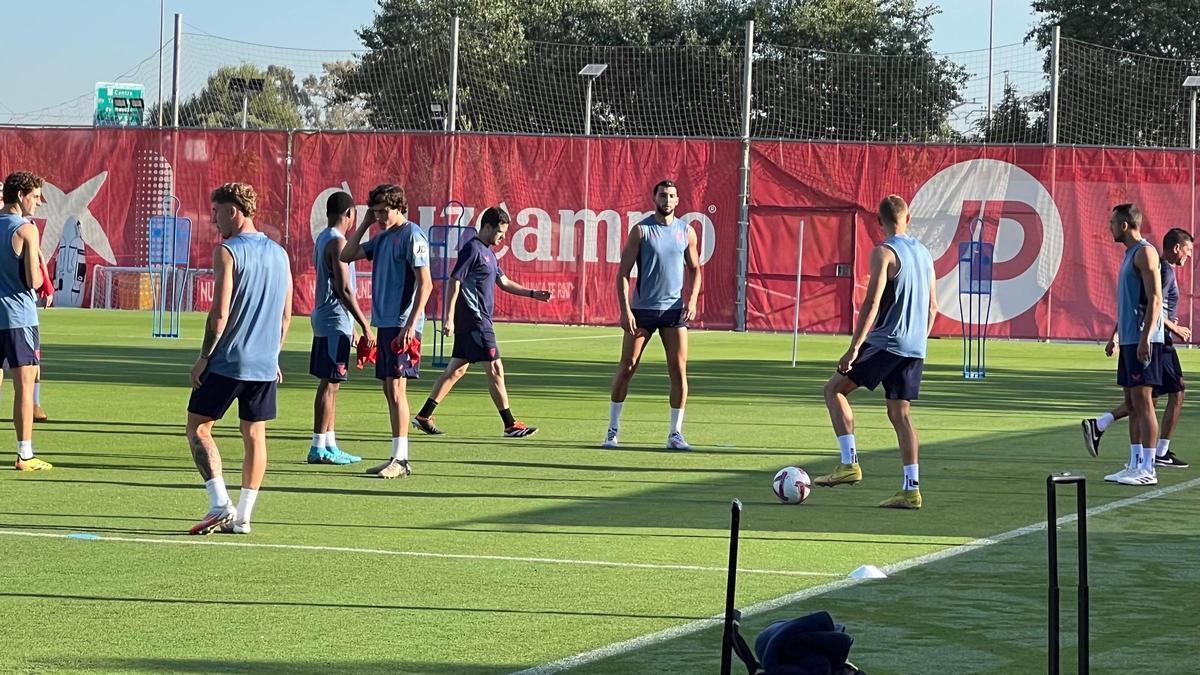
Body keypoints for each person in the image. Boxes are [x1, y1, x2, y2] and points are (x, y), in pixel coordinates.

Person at [813, 195, 935, 510]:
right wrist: (918, 340)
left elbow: (872, 302)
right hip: (914, 346)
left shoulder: (884, 252)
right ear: (908, 217)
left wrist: (854, 348)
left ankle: (848, 463)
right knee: (900, 414)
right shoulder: (924, 253)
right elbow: (933, 307)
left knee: (833, 390)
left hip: (885, 342)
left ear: (879, 222)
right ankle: (911, 490)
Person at [186, 183, 292, 534]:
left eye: (216, 211)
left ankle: (219, 503)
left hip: (230, 360)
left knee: (198, 427)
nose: (214, 219)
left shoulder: (228, 252)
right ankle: (244, 516)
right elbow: (286, 316)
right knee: (255, 435)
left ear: (233, 211)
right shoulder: (280, 253)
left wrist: (204, 357)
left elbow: (219, 313)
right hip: (264, 364)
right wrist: (274, 355)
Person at [412, 206, 551, 437]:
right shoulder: (472, 249)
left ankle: (424, 415)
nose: (503, 237)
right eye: (500, 232)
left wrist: (532, 293)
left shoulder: (489, 253)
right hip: (476, 322)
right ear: (487, 227)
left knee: (456, 371)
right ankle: (510, 424)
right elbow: (455, 280)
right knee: (496, 367)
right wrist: (448, 317)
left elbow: (504, 282)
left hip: (474, 323)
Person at [340, 183, 431, 479]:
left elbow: (425, 284)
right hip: (386, 323)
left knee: (396, 388)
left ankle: (401, 460)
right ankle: (396, 455)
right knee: (389, 389)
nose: (379, 216)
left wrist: (410, 324)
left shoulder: (412, 235)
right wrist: (365, 222)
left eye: (383, 211)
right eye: (375, 211)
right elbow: (346, 255)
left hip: (403, 324)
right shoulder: (381, 238)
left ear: (398, 207)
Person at [1082, 227, 1192, 469]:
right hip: (1155, 340)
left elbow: (1136, 305)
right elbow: (1150, 306)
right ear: (1177, 248)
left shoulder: (1158, 267)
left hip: (1148, 338)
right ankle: (1149, 457)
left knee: (1145, 400)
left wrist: (1116, 336)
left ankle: (1128, 449)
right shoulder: (1161, 270)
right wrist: (1175, 328)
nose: (1189, 256)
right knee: (1155, 398)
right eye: (1188, 250)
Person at [604, 179, 701, 450]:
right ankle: (612, 430)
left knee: (678, 370)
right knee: (627, 367)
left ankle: (675, 434)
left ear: (678, 200)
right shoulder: (641, 231)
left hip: (673, 312)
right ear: (654, 198)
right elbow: (623, 273)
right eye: (662, 195)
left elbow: (695, 268)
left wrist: (691, 299)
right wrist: (625, 310)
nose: (667, 200)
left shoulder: (686, 232)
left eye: (671, 195)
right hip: (643, 311)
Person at [1097, 204, 1166, 487]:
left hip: (1143, 340)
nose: (1110, 227)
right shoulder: (1129, 255)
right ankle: (1135, 463)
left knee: (1144, 402)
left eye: (1113, 222)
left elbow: (1156, 299)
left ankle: (1148, 468)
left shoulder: (1145, 252)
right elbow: (1127, 303)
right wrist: (1116, 336)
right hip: (1128, 340)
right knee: (1132, 403)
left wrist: (1145, 337)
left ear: (1125, 225)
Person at [308, 191, 373, 465]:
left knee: (333, 383)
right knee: (329, 383)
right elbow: (343, 288)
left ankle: (330, 443)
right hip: (333, 319)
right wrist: (365, 324)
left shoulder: (324, 237)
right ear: (349, 214)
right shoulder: (336, 242)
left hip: (335, 320)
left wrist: (351, 326)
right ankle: (317, 446)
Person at [0, 171, 50, 470]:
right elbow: (32, 279)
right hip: (18, 316)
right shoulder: (26, 229)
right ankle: (25, 454)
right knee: (25, 385)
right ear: (21, 195)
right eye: (35, 196)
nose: (39, 202)